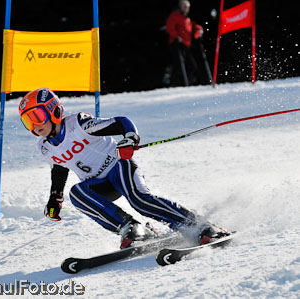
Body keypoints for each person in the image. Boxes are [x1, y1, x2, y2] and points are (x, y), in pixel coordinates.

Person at [19, 88, 229, 249]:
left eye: (37, 116)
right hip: (99, 184)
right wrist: (55, 197)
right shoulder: (45, 147)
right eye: (27, 121)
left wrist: (130, 138)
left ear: (54, 110)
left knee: (139, 199)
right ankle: (132, 228)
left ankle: (198, 225)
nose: (34, 125)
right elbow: (59, 169)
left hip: (119, 167)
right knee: (77, 194)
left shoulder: (78, 124)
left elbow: (121, 122)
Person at [165, 0, 204, 86]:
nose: (187, 8)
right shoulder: (175, 15)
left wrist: (199, 29)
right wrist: (176, 36)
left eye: (188, 7)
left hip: (186, 45)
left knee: (192, 66)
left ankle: (185, 83)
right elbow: (169, 27)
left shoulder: (186, 18)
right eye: (184, 6)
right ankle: (174, 84)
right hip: (177, 45)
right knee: (179, 66)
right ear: (180, 7)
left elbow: (192, 26)